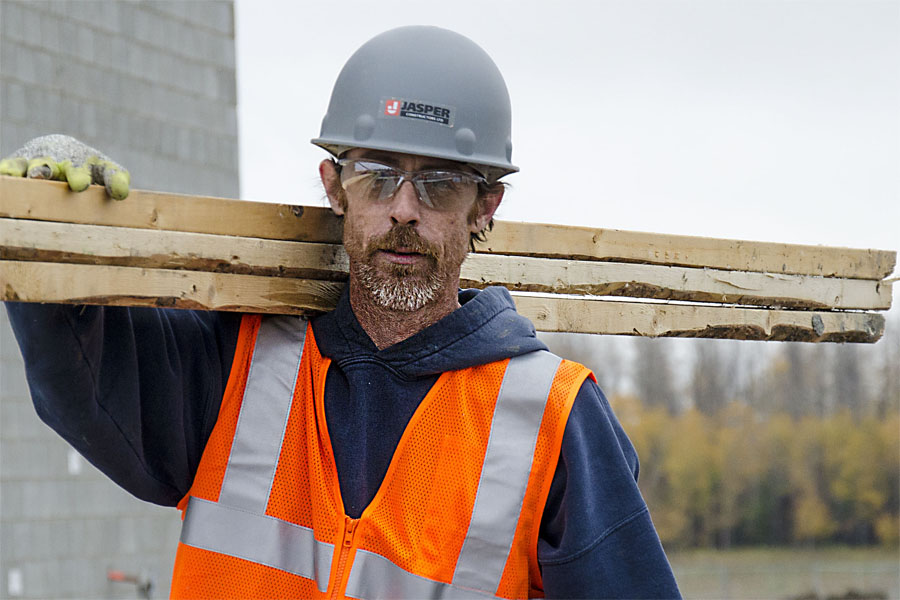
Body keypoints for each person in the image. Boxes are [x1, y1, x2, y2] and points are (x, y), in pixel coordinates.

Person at [4, 26, 681, 599]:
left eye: (441, 183)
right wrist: (45, 236)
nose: (405, 208)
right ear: (334, 187)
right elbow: (83, 381)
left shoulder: (552, 421)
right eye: (378, 175)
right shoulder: (234, 366)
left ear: (485, 208)